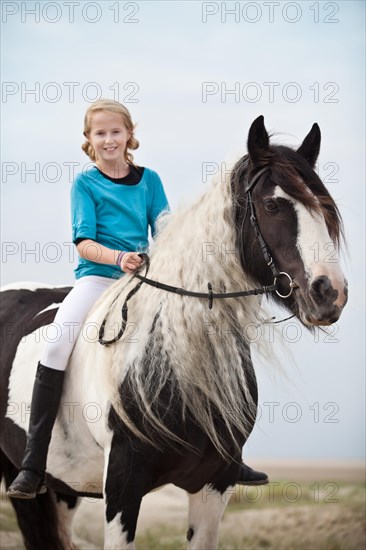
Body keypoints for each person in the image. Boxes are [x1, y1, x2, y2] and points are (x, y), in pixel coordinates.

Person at [8, 99, 267, 499]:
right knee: (57, 343)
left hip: (146, 279)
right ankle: (33, 461)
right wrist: (119, 259)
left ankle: (226, 452)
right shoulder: (86, 184)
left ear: (129, 135)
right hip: (97, 280)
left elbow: (164, 231)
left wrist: (163, 260)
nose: (108, 139)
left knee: (211, 328)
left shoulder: (150, 181)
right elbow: (84, 243)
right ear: (89, 140)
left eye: (115, 131)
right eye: (100, 133)